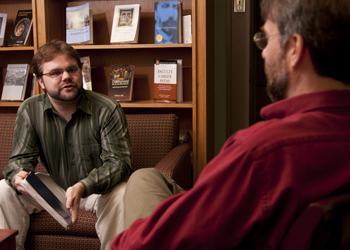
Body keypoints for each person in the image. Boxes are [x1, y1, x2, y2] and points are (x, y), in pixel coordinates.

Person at [112, 0, 350, 249]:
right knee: (147, 178)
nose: (264, 52)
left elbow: (140, 245)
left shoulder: (261, 154)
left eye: (266, 39)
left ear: (294, 48)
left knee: (142, 183)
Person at [0, 40, 132, 250]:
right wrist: (18, 175)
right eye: (55, 73)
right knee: (3, 190)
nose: (66, 77)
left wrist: (83, 185)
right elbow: (19, 160)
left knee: (123, 192)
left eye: (72, 69)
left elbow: (119, 163)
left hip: (99, 191)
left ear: (80, 72)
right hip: (57, 186)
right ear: (40, 82)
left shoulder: (107, 108)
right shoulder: (30, 109)